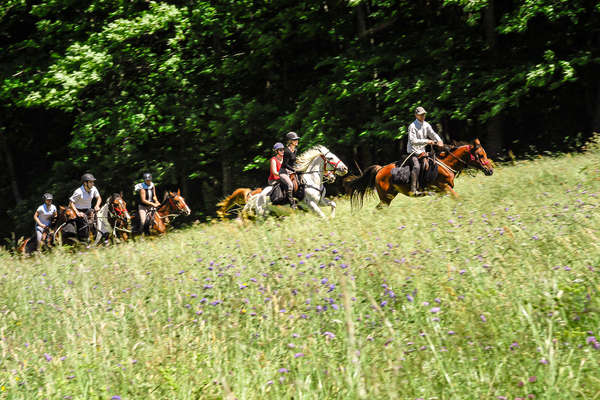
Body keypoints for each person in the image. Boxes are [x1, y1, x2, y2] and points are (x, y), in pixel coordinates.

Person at [407, 106, 443, 196]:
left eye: (424, 114)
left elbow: (433, 134)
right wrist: (427, 141)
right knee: (416, 166)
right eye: (421, 114)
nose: (423, 116)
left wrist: (439, 140)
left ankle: (427, 186)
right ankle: (413, 190)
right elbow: (413, 141)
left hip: (422, 151)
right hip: (413, 152)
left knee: (432, 164)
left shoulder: (426, 124)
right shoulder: (412, 126)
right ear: (416, 115)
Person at [69, 173, 102, 242]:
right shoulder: (78, 192)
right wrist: (77, 212)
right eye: (90, 182)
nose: (92, 183)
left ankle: (98, 237)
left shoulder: (94, 189)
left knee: (97, 219)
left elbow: (99, 198)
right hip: (78, 210)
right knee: (84, 222)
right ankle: (83, 240)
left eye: (93, 182)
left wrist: (97, 205)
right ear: (85, 183)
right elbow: (71, 203)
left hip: (88, 209)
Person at [279, 132, 300, 209]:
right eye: (295, 140)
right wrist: (294, 170)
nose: (297, 141)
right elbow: (285, 164)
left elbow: (293, 162)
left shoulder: (295, 150)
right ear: (290, 141)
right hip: (283, 172)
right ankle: (292, 203)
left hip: (291, 171)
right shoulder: (286, 151)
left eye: (297, 139)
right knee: (290, 185)